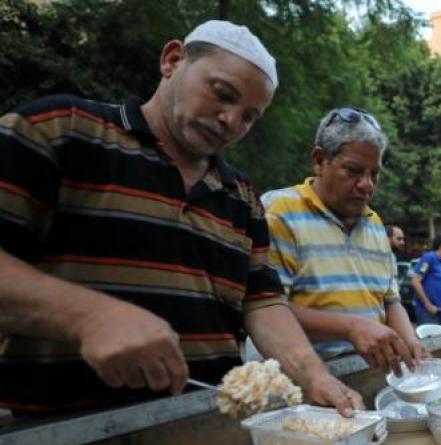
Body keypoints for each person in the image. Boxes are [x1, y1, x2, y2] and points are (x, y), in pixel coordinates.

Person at [0, 21, 361, 416]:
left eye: (249, 117)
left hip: (205, 432)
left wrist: (313, 375)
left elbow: (261, 303)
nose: (230, 121)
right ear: (172, 60)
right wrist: (90, 316)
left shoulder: (241, 198)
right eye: (222, 94)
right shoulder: (59, 131)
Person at [262, 108, 427, 374]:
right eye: (353, 171)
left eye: (375, 174)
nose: (367, 184)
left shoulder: (374, 223)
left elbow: (389, 300)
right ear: (319, 160)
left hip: (369, 373)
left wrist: (410, 340)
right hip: (300, 378)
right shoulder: (280, 212)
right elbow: (267, 309)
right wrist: (350, 328)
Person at [411, 235, 441, 325]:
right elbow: (415, 282)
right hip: (428, 313)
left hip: (439, 312)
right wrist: (428, 305)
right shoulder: (429, 258)